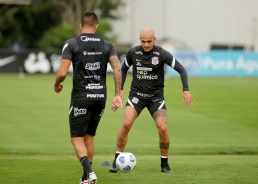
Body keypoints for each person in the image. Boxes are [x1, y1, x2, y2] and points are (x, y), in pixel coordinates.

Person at [109, 28, 194, 173]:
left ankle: (164, 164)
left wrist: (186, 89)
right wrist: (120, 90)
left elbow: (182, 69)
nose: (146, 44)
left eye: (149, 41)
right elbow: (123, 70)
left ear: (154, 39)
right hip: (136, 96)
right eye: (143, 41)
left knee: (163, 128)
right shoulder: (133, 53)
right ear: (139, 40)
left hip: (156, 98)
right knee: (126, 123)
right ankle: (116, 161)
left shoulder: (161, 54)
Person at [54, 12, 122, 184]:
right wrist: (117, 95)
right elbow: (117, 70)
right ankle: (85, 178)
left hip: (81, 97)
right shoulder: (108, 45)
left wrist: (56, 84)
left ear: (80, 25)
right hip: (100, 97)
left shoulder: (72, 44)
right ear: (97, 26)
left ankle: (90, 173)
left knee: (76, 138)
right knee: (89, 137)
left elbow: (62, 72)